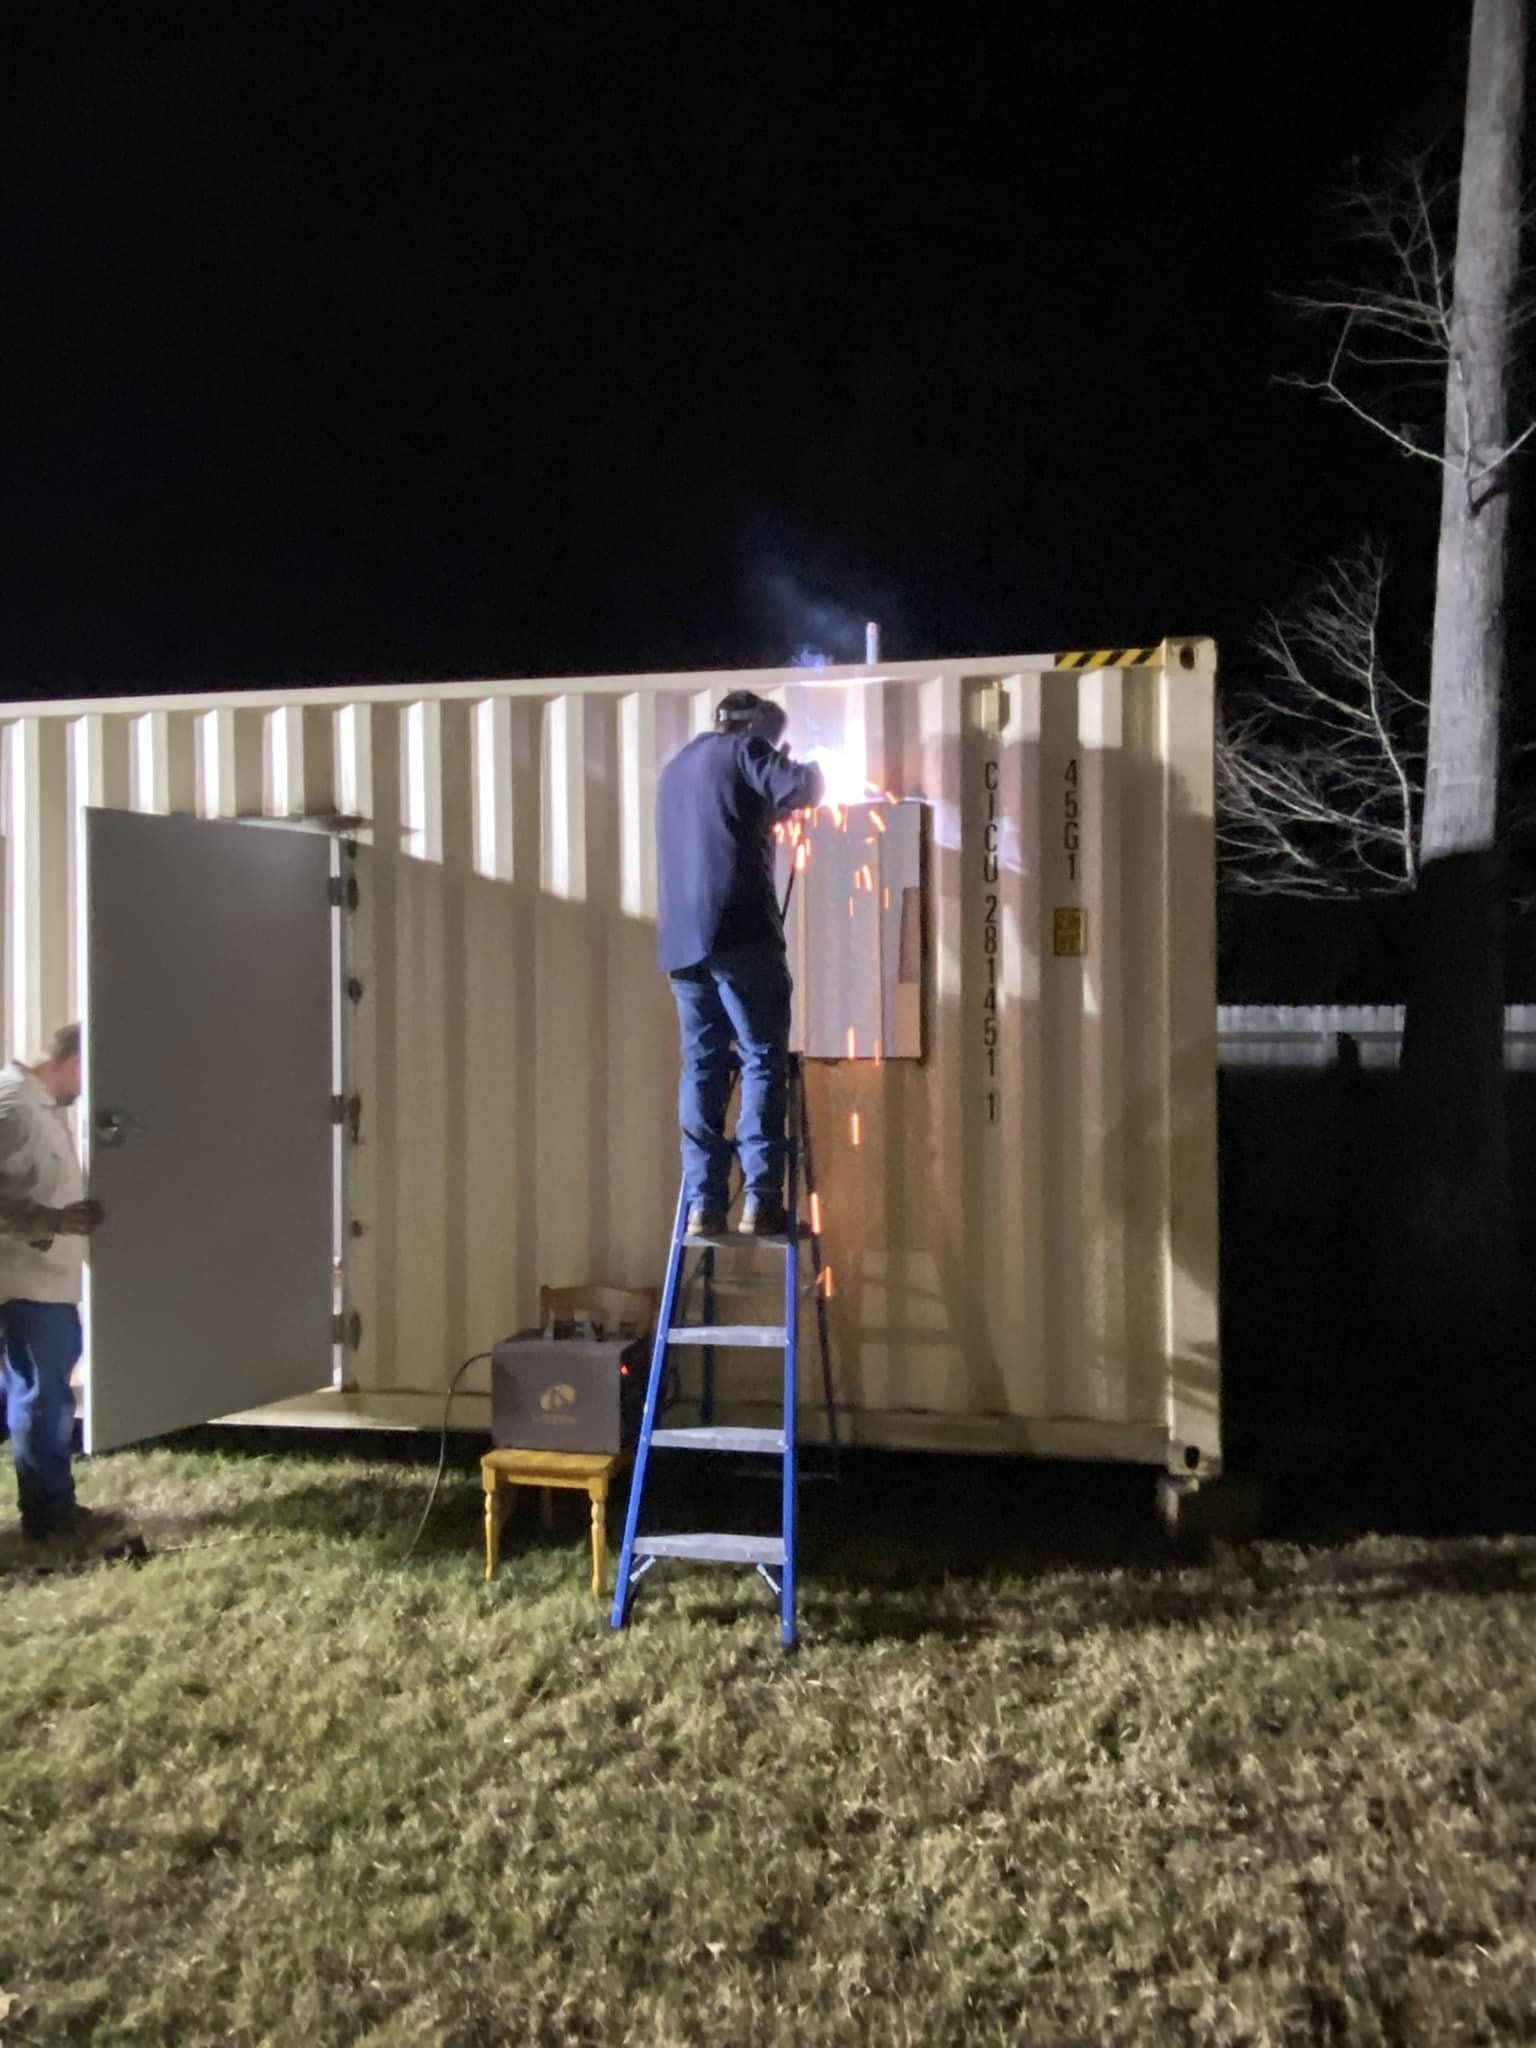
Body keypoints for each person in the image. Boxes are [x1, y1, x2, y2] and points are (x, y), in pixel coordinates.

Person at [656, 690, 824, 1238]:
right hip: (741, 931)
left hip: (684, 942)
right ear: (751, 728)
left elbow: (730, 818)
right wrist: (812, 767)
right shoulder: (744, 748)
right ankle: (761, 1202)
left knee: (702, 1065)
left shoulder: (677, 768)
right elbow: (803, 786)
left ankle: (704, 1205)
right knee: (761, 1056)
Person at [0, 1024, 110, 1544]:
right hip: (23, 1285)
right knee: (44, 1400)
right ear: (75, 1061)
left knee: (29, 1395)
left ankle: (47, 1506)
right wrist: (56, 1222)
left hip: (45, 1284)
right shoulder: (14, 1109)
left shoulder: (39, 1109)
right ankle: (50, 1516)